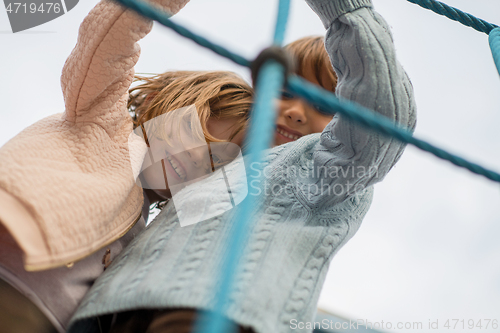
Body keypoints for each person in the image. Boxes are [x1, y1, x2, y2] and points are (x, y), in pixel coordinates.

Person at [63, 0, 417, 333]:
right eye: (284, 92)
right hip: (109, 312)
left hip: (208, 311)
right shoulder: (219, 159)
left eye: (323, 105)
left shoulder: (328, 168)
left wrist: (345, 10)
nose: (296, 111)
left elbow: (382, 113)